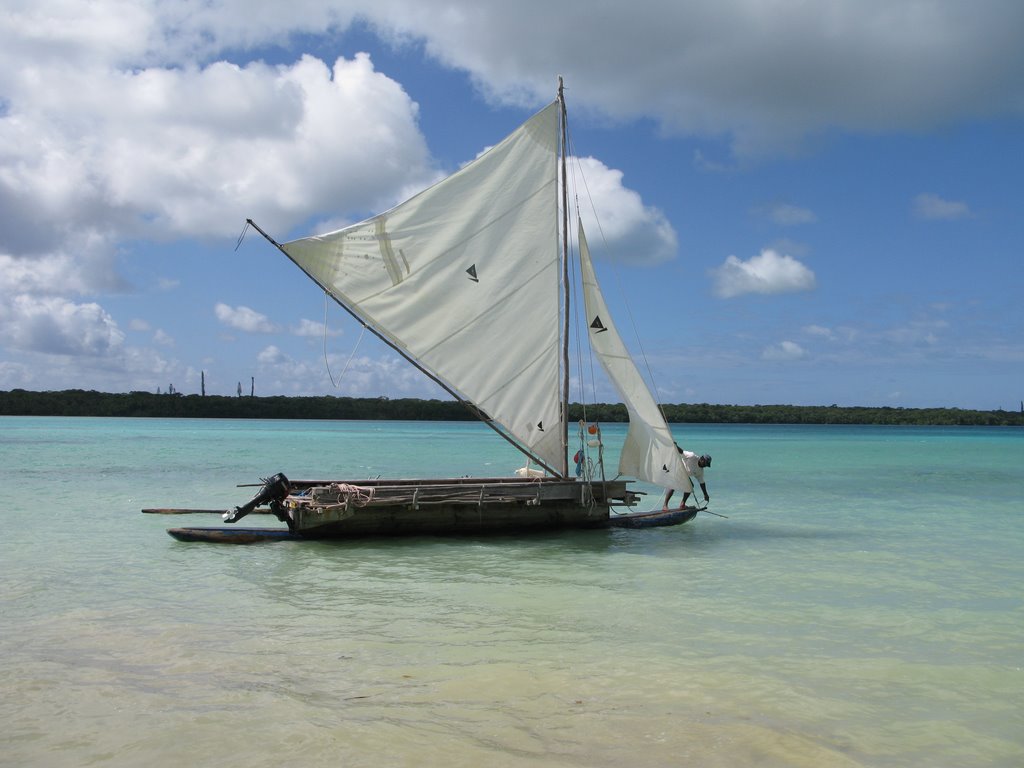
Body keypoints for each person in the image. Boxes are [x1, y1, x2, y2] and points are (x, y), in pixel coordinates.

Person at [663, 446, 711, 510]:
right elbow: (682, 452)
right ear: (702, 459)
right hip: (677, 469)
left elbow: (702, 483)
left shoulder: (700, 471)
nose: (705, 466)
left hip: (684, 475)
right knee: (673, 486)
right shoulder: (692, 456)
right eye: (705, 463)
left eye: (707, 465)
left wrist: (705, 494)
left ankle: (682, 504)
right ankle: (665, 505)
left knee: (690, 486)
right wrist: (675, 445)